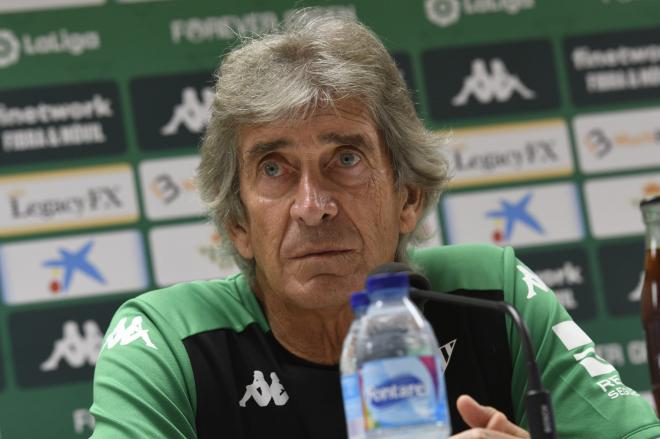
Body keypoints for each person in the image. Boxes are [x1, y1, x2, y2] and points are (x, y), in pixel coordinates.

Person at [90, 9, 660, 438]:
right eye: (273, 167)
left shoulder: (494, 295)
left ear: (407, 197)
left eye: (345, 159)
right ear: (238, 224)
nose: (312, 205)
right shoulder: (168, 342)